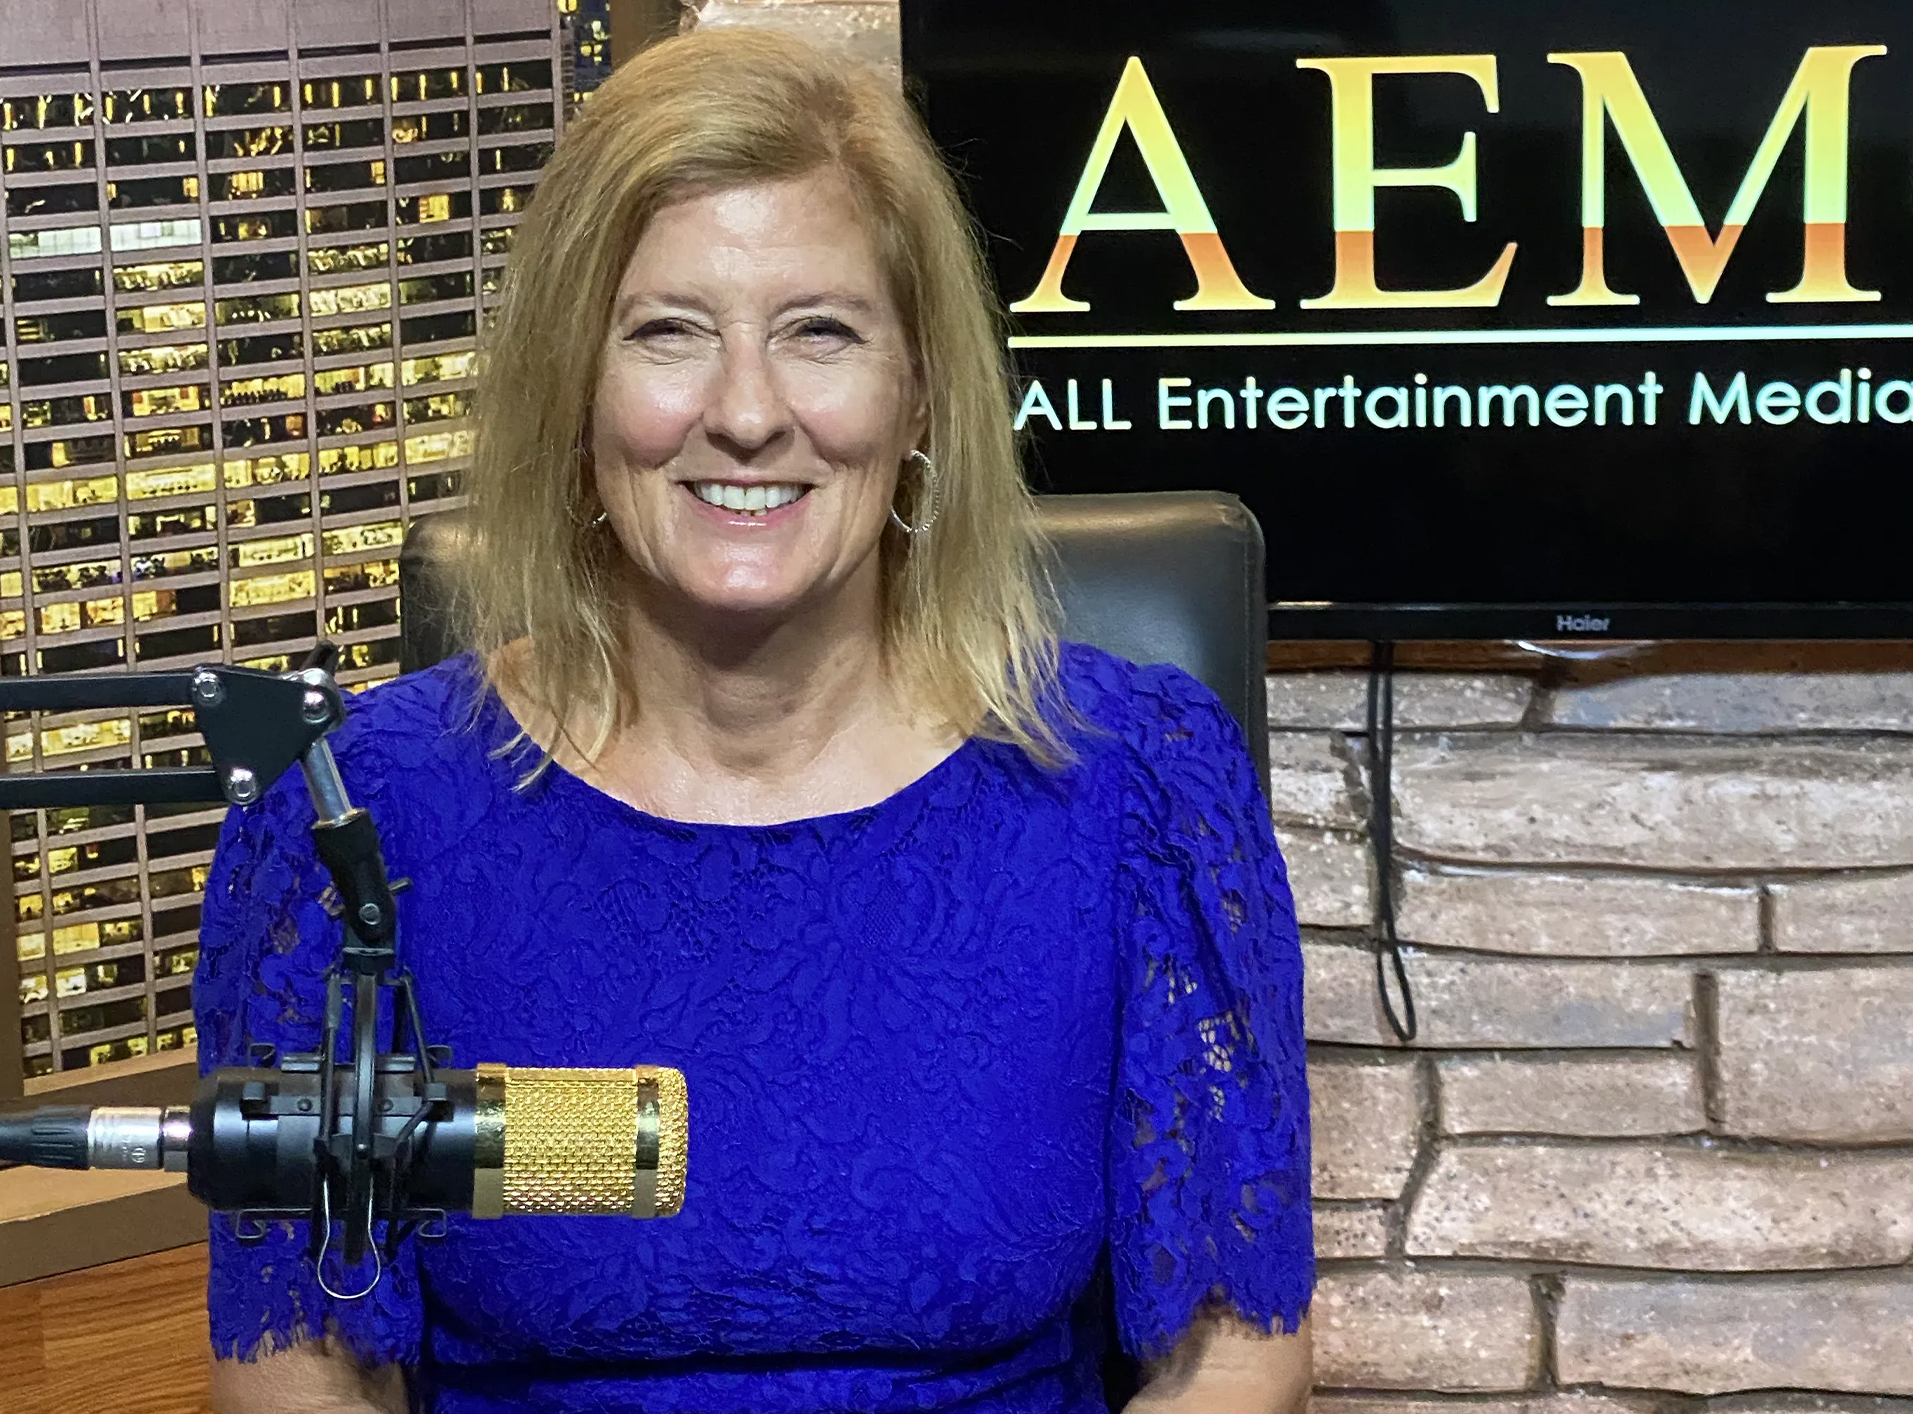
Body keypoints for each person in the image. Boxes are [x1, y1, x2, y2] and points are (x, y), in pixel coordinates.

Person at [195, 26, 1313, 1414]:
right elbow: (298, 1349)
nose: (743, 412)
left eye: (820, 331)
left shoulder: (1133, 791)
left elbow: (1232, 1339)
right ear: (576, 390)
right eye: (669, 331)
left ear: (920, 395)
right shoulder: (355, 816)